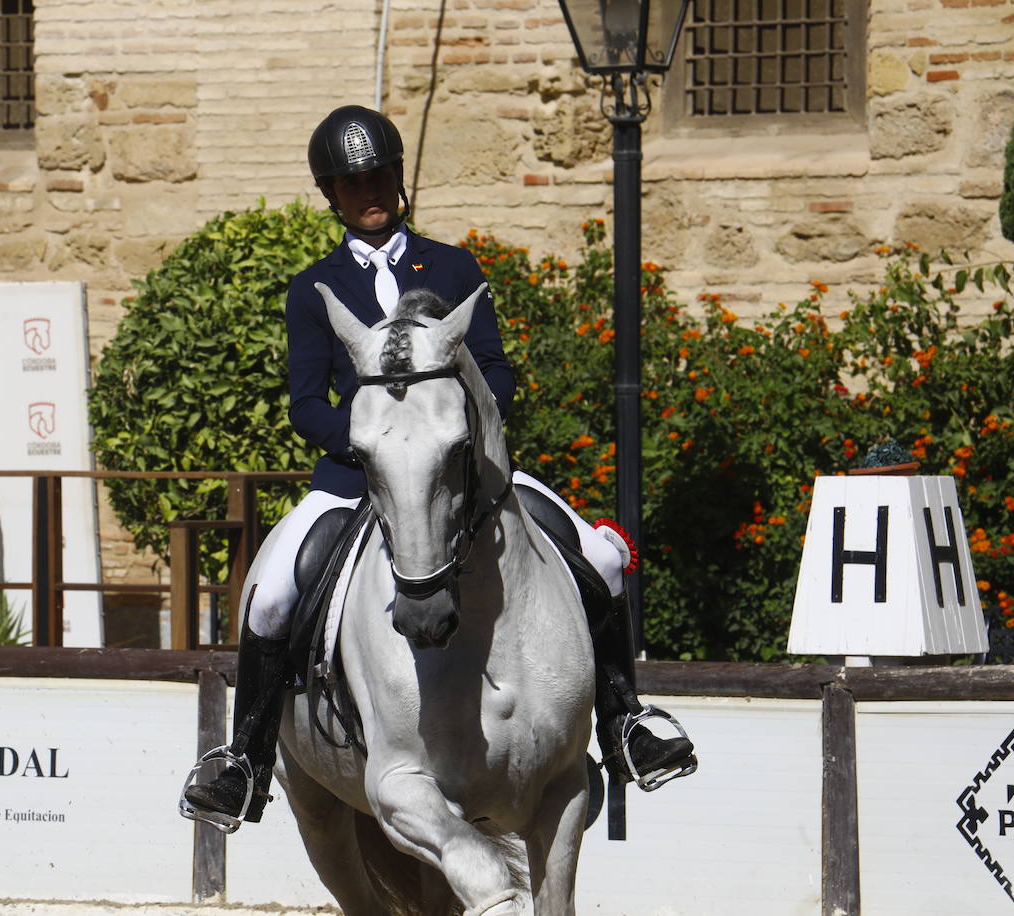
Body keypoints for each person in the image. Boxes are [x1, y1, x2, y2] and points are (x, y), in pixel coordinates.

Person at [181, 105, 695, 828]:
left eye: (380, 175)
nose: (370, 191)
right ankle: (246, 761)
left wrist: (461, 429)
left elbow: (496, 368)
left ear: (399, 178)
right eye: (352, 182)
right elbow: (305, 402)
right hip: (353, 482)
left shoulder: (452, 267)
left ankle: (624, 723)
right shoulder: (313, 287)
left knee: (602, 559)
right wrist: (375, 448)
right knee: (269, 598)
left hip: (466, 473)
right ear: (330, 193)